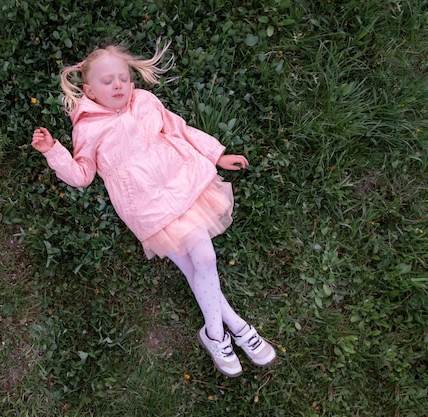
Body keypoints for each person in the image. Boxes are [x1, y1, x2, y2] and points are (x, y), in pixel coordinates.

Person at [31, 40, 276, 377]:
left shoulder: (145, 101)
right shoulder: (87, 129)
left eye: (123, 77)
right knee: (199, 263)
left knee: (201, 263)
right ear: (88, 90)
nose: (118, 85)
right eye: (107, 81)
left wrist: (216, 155)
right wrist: (52, 151)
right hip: (146, 209)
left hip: (183, 183)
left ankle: (219, 332)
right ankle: (231, 329)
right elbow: (82, 175)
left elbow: (180, 129)